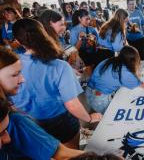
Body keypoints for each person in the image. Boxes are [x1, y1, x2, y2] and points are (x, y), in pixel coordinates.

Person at [10, 18, 102, 149]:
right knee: (69, 155)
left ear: (18, 41)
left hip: (28, 124)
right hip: (60, 122)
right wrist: (89, 118)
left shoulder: (11, 66)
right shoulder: (59, 66)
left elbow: (11, 102)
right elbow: (72, 104)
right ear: (44, 33)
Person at [0, 47, 84, 159]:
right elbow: (62, 154)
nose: (22, 80)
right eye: (15, 75)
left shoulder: (12, 117)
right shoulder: (16, 122)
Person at [85, 46, 144, 114]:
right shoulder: (125, 72)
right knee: (110, 117)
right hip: (99, 99)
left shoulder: (109, 61)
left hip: (89, 92)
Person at [71, 9, 99, 74]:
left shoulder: (91, 29)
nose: (89, 21)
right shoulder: (74, 31)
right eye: (86, 19)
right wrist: (80, 39)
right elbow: (74, 50)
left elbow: (97, 44)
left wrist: (94, 40)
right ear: (79, 19)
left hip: (93, 54)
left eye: (89, 19)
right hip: (82, 56)